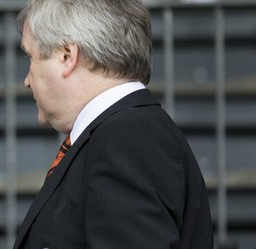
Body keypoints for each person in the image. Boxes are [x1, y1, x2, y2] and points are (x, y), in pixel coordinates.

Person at [13, 0, 213, 248]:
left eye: (31, 57)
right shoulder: (123, 131)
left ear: (67, 55)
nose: (27, 80)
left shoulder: (126, 137)